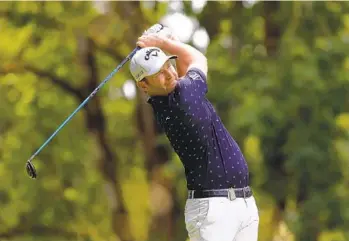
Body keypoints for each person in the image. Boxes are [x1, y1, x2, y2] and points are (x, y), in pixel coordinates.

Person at [129, 25, 259, 241]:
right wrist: (165, 43)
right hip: (213, 210)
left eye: (167, 65)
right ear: (143, 85)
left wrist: (168, 44)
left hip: (239, 203)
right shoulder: (183, 99)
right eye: (158, 73)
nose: (168, 74)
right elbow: (197, 59)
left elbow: (182, 71)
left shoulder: (174, 96)